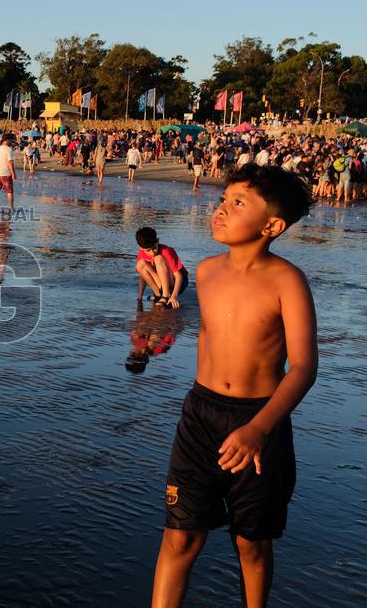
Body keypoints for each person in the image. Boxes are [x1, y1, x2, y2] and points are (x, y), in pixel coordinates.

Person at [152, 164, 317, 608]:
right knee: (180, 537)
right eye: (223, 199)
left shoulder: (287, 281)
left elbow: (302, 366)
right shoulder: (205, 272)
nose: (221, 209)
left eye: (237, 204)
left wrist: (259, 429)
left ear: (272, 226)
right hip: (200, 415)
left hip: (259, 421)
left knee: (252, 543)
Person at [135, 227, 189, 309]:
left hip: (178, 283)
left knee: (158, 258)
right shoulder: (141, 254)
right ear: (141, 248)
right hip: (161, 283)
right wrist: (139, 298)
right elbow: (143, 277)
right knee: (140, 264)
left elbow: (179, 276)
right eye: (148, 250)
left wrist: (173, 297)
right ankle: (158, 295)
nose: (152, 252)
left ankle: (166, 295)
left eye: (154, 248)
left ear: (157, 241)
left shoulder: (166, 251)